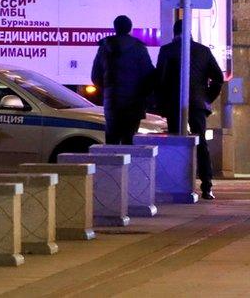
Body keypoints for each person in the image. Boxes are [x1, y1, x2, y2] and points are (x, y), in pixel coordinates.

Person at [154, 20, 224, 200]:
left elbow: (159, 80)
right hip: (198, 105)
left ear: (174, 33)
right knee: (201, 143)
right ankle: (207, 186)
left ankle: (175, 184)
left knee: (175, 143)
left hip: (173, 104)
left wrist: (159, 102)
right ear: (190, 33)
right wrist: (207, 98)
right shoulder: (203, 51)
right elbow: (218, 78)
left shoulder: (167, 51)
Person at [91, 15, 155, 145]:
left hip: (112, 102)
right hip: (134, 103)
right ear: (130, 28)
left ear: (115, 28)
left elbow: (95, 76)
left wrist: (108, 88)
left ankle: (111, 165)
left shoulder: (105, 47)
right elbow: (149, 75)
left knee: (112, 141)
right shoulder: (139, 48)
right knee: (129, 140)